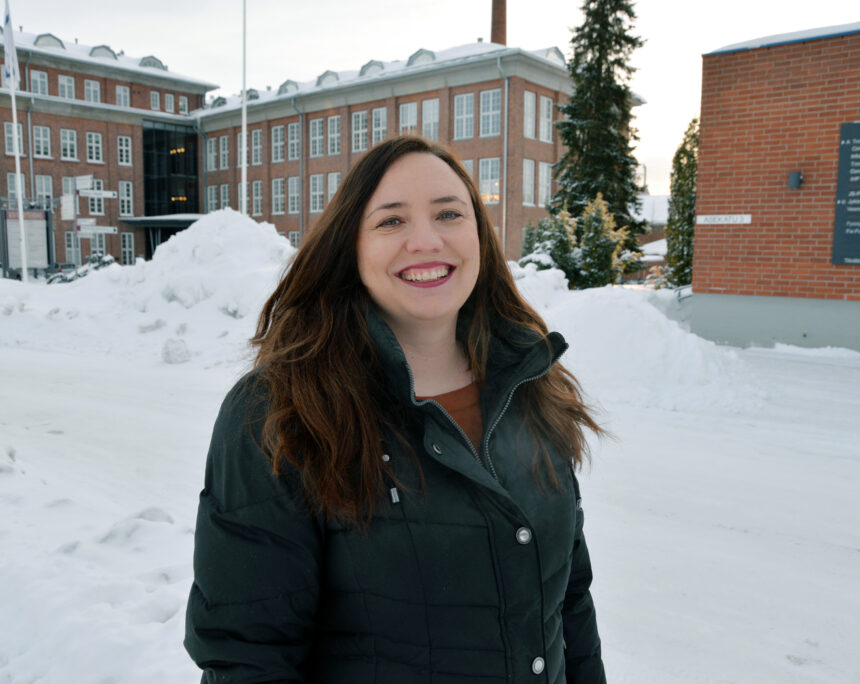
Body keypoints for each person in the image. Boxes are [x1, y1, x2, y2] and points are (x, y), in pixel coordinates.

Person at [184, 136, 607, 683]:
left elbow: (569, 601)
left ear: (478, 234)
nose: (426, 241)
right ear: (350, 248)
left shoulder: (529, 384)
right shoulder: (281, 412)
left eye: (449, 214)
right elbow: (250, 659)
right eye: (391, 222)